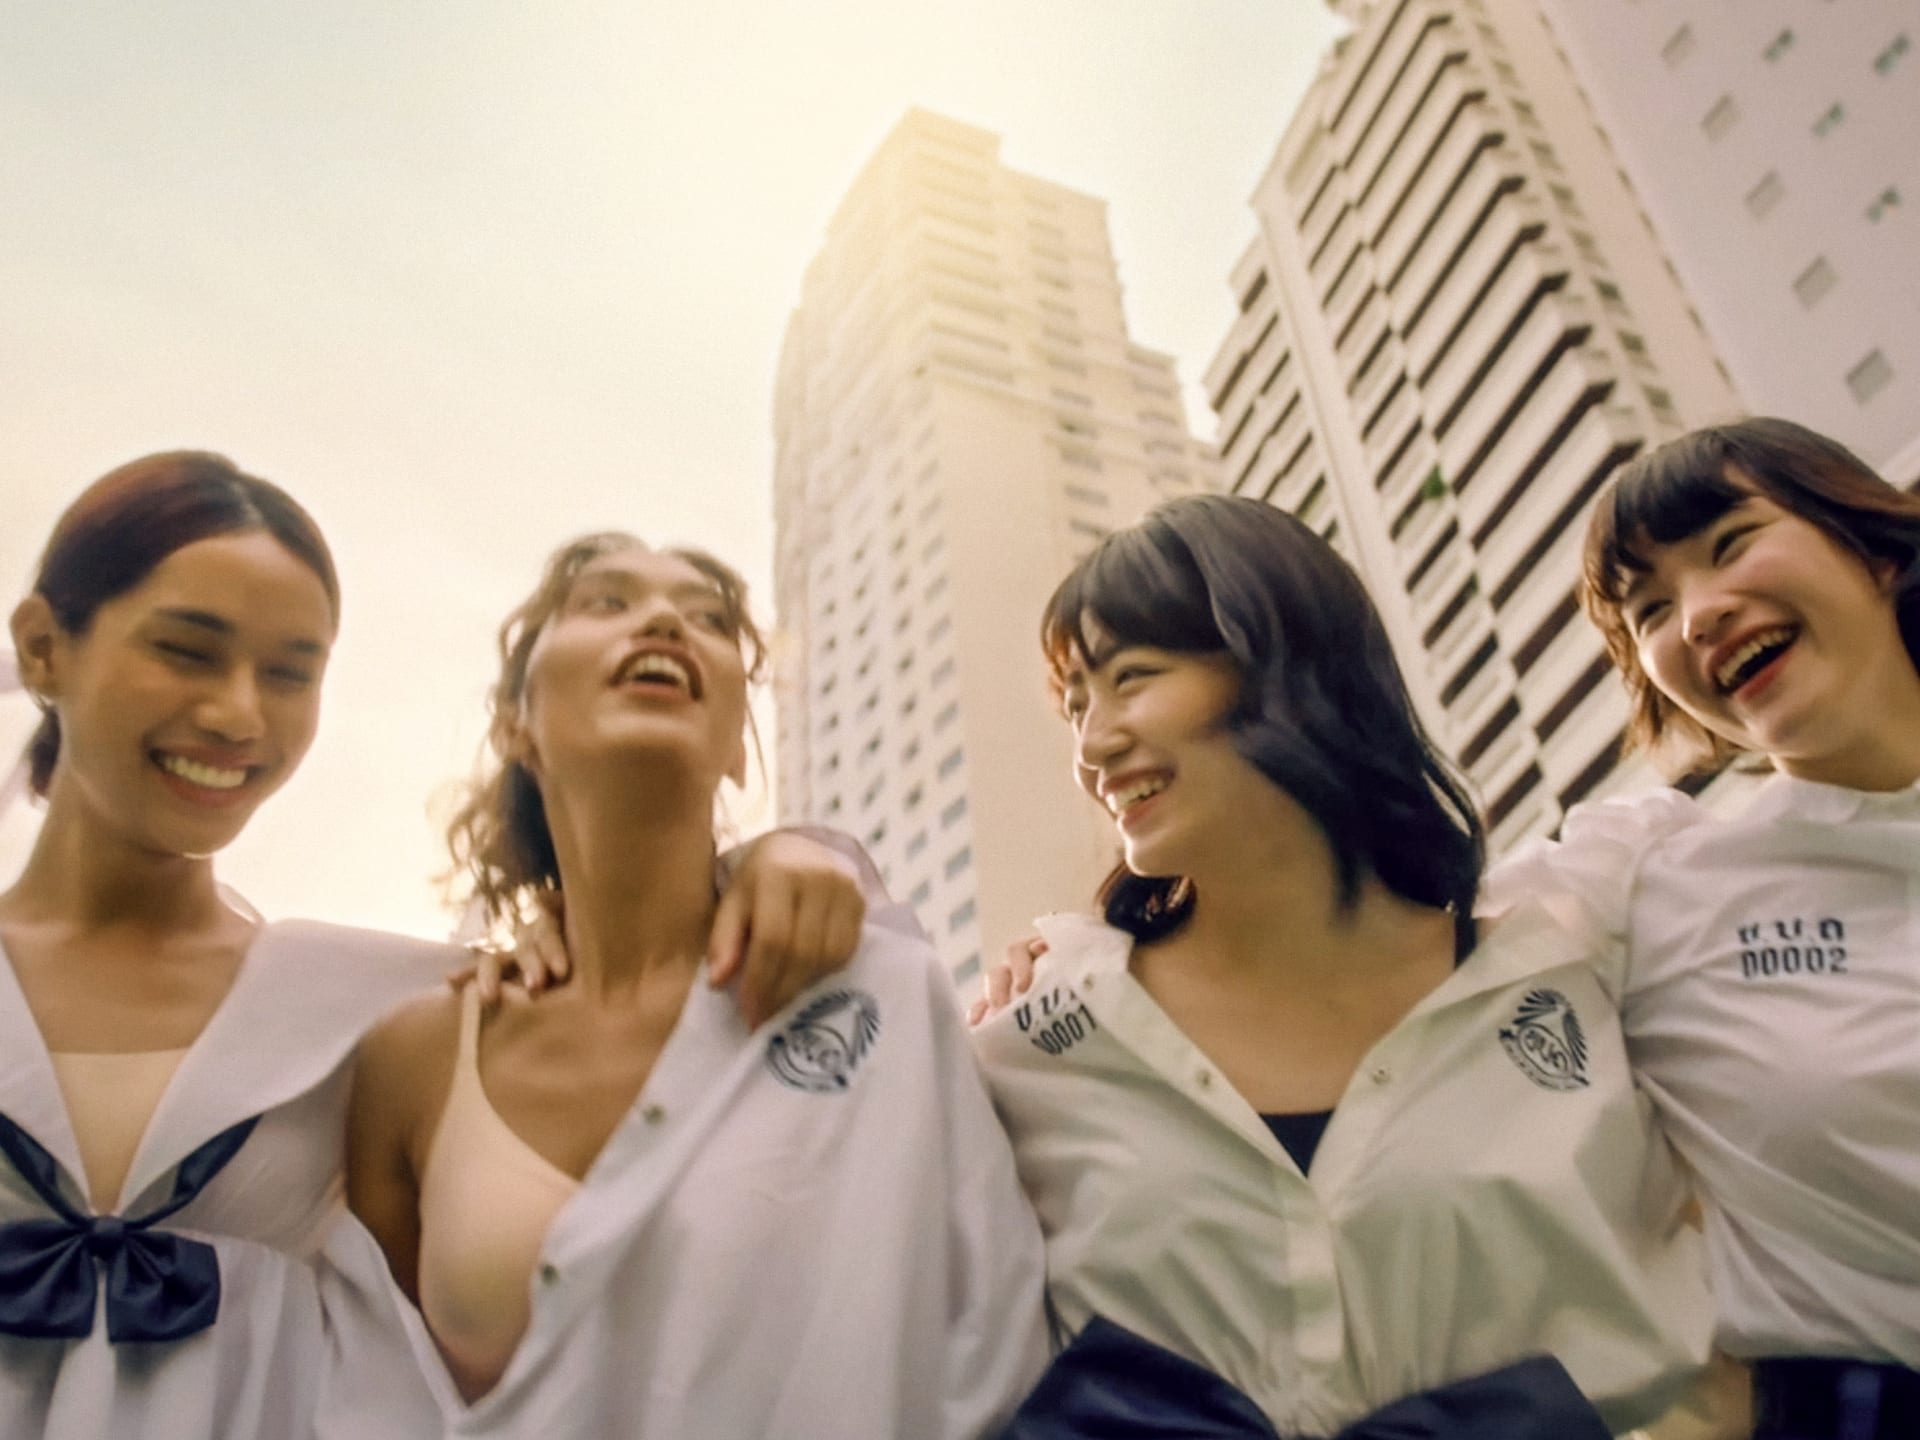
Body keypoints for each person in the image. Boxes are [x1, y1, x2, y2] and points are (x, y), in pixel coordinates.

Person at [0, 453, 873, 1440]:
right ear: (42, 649)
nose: (239, 713)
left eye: (290, 674)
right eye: (189, 651)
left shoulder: (372, 1005)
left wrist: (788, 854)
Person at [970, 494, 1717, 1438]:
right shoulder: (1035, 1045)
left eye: (1132, 678)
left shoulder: (1575, 968)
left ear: (1287, 665)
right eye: (1077, 705)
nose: (1093, 745)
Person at [336, 532, 1047, 1436]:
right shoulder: (414, 1058)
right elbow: (385, 1390)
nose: (666, 619)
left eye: (709, 617)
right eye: (605, 602)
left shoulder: (882, 990)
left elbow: (997, 1348)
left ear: (739, 746)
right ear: (516, 724)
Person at [1486, 417, 1920, 1440]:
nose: (1704, 614)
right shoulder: (1647, 881)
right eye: (1650, 611)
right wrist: (1092, 956)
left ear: (1872, 549)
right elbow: (1358, 965)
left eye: (1730, 546)